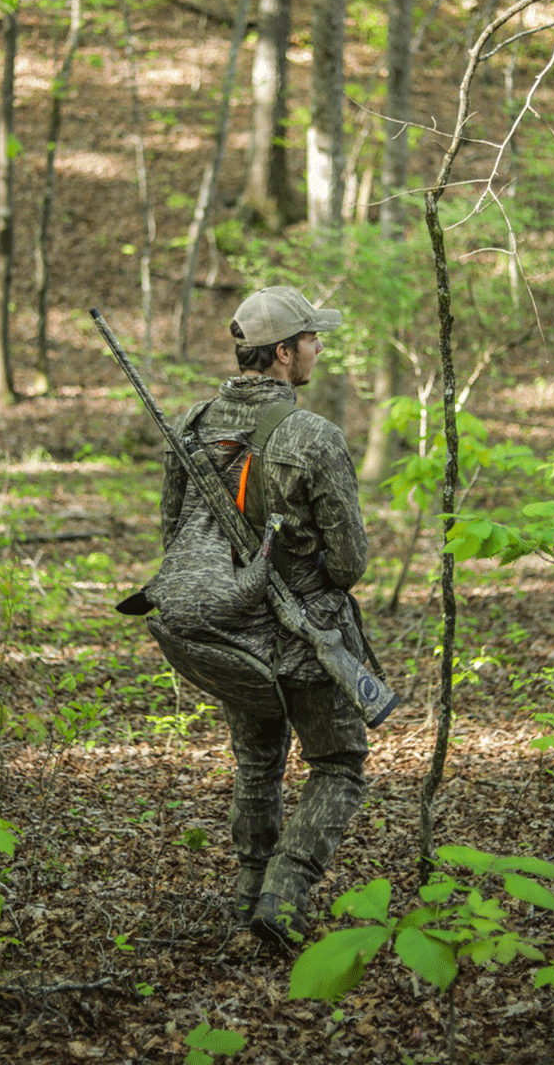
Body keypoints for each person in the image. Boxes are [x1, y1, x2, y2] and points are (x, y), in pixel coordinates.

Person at [159, 286, 370, 949]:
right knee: (339, 763)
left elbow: (175, 541)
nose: (318, 348)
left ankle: (249, 893)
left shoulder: (191, 424)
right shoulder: (313, 437)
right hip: (305, 638)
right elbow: (350, 562)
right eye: (310, 338)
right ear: (282, 353)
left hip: (232, 638)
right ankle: (283, 893)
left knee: (257, 763)